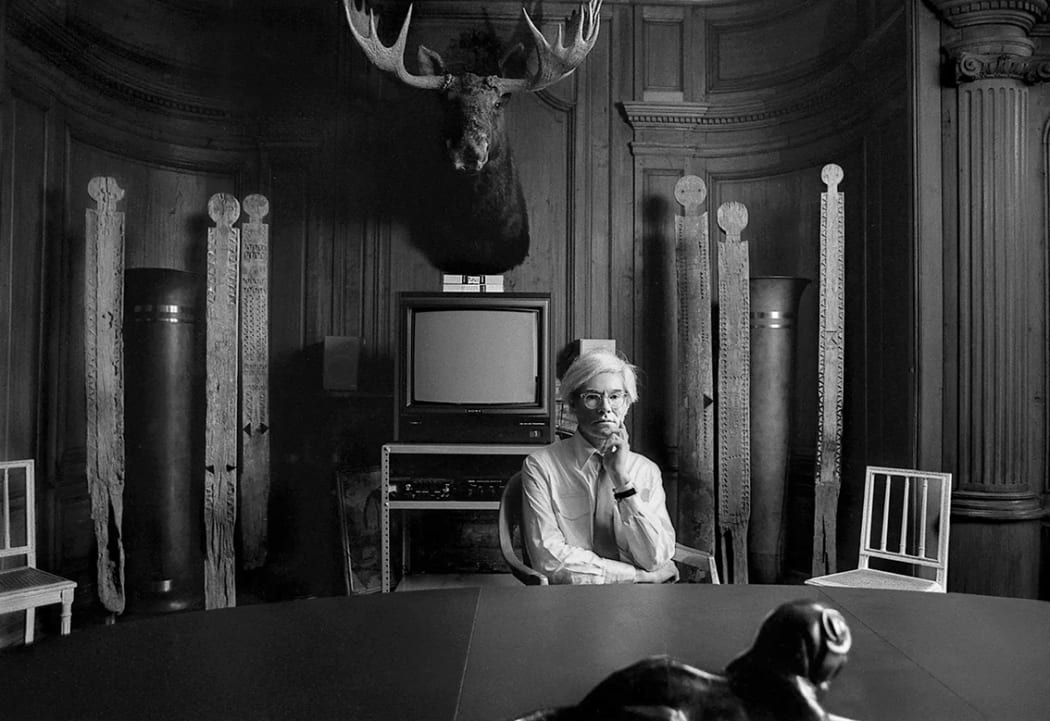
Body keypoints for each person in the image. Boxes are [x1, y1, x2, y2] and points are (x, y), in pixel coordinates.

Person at [521, 350, 678, 584]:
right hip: (572, 597)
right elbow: (549, 560)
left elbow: (654, 558)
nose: (605, 407)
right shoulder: (541, 466)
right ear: (573, 404)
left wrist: (621, 480)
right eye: (592, 397)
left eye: (615, 397)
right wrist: (638, 577)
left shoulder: (646, 471)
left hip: (641, 601)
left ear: (626, 404)